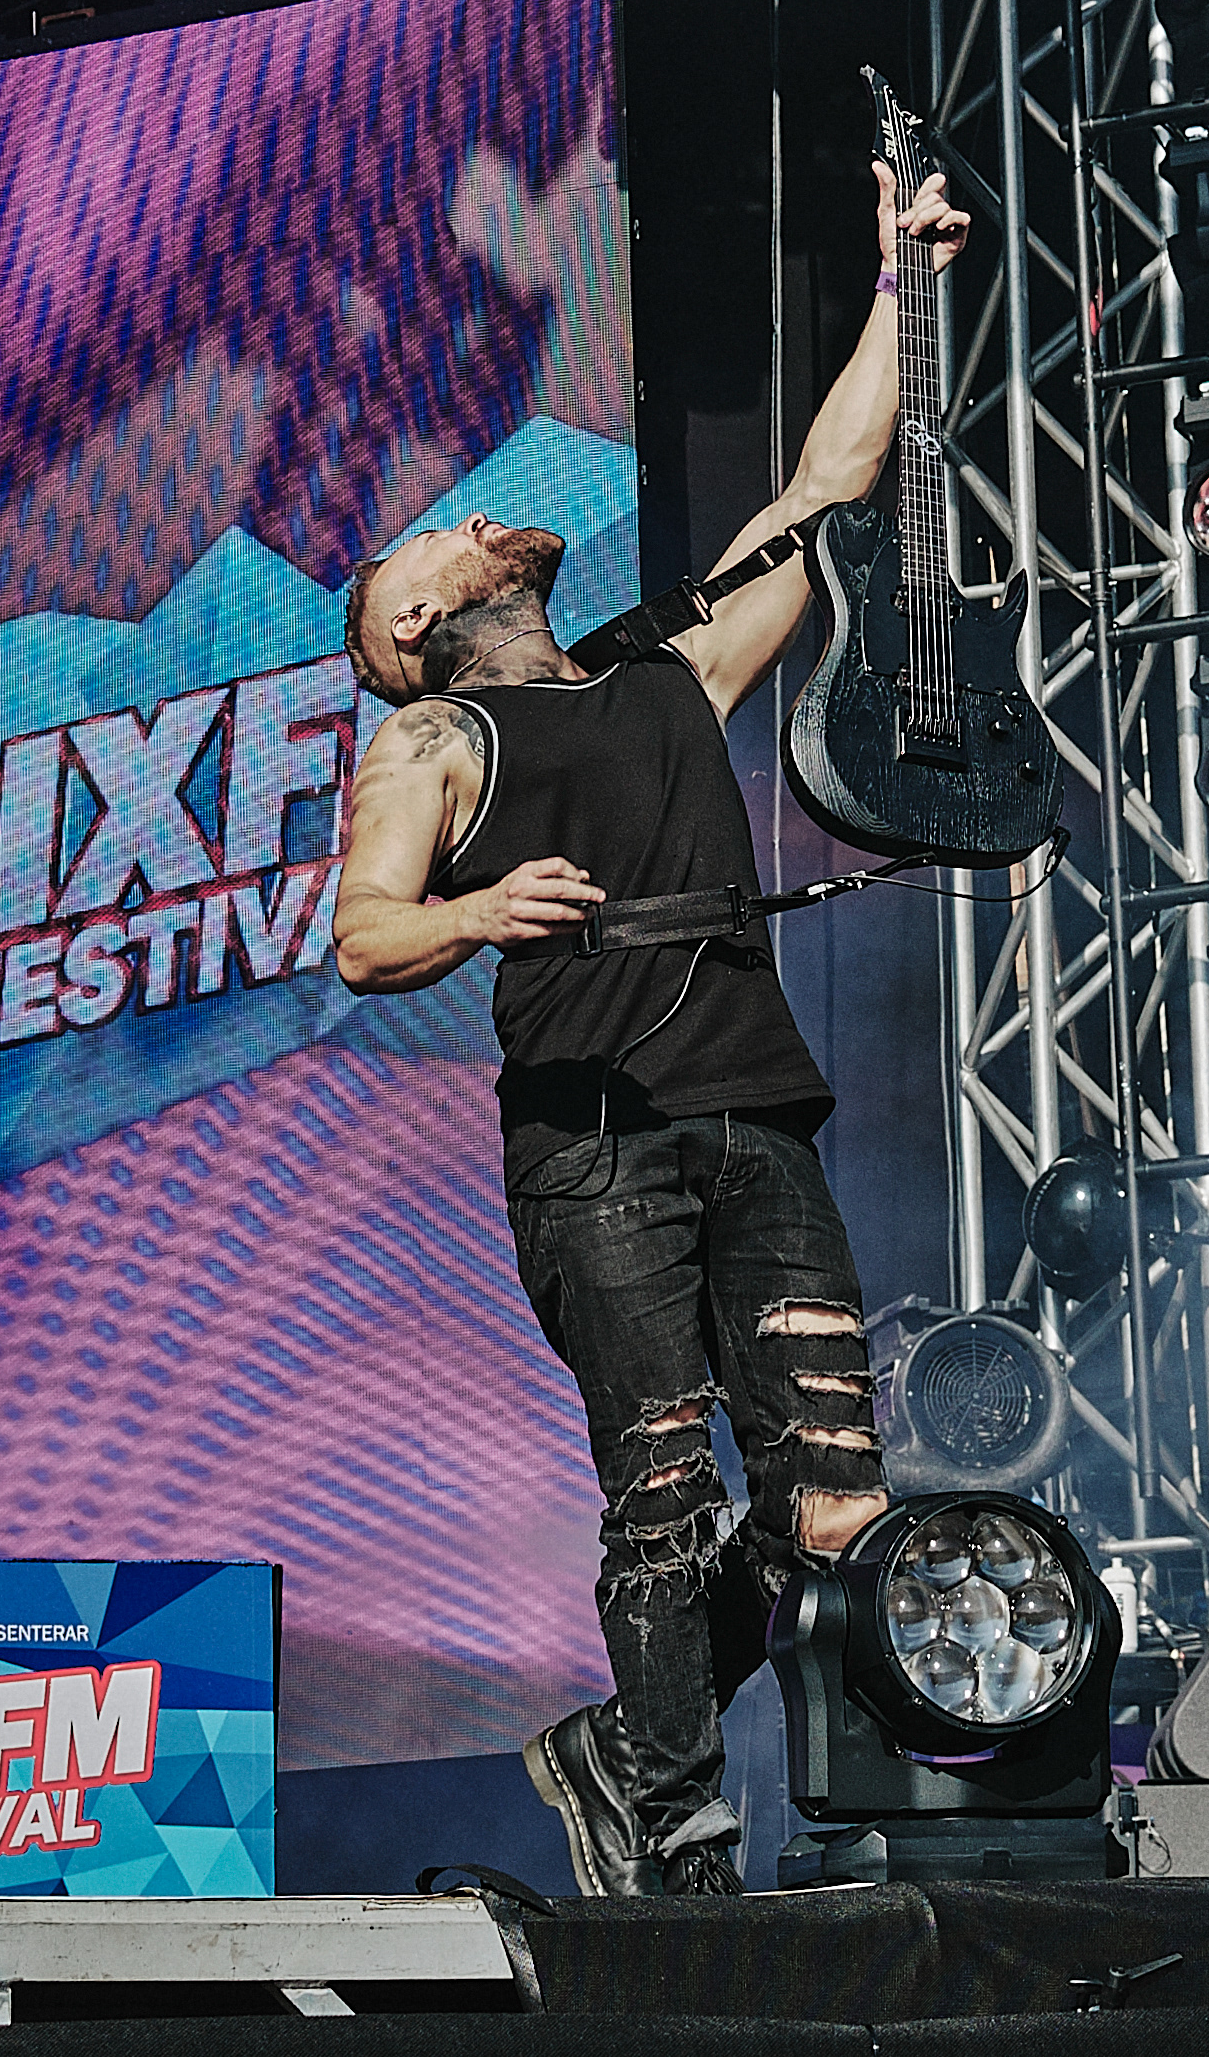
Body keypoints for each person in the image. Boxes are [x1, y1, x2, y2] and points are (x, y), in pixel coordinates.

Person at [333, 159, 969, 1897]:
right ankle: (681, 1840)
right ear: (414, 625)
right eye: (437, 538)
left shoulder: (666, 678)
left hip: (752, 1114)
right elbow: (365, 932)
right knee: (667, 1493)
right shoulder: (433, 741)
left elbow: (824, 488)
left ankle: (621, 1751)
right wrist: (475, 913)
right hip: (595, 1148)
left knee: (833, 1505)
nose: (477, 520)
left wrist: (904, 284)